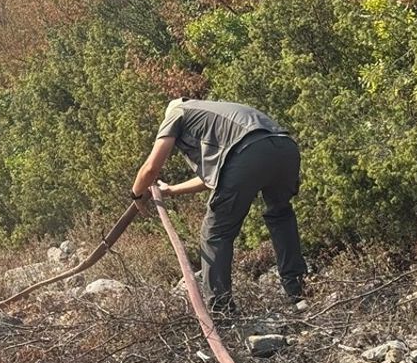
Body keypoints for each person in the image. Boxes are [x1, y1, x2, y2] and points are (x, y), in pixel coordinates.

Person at [131, 98, 307, 313]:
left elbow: (151, 168)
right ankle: (298, 290)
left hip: (248, 153)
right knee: (281, 214)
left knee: (215, 233)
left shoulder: (177, 113)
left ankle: (221, 308)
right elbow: (215, 177)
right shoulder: (214, 114)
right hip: (284, 147)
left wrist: (136, 194)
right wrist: (172, 190)